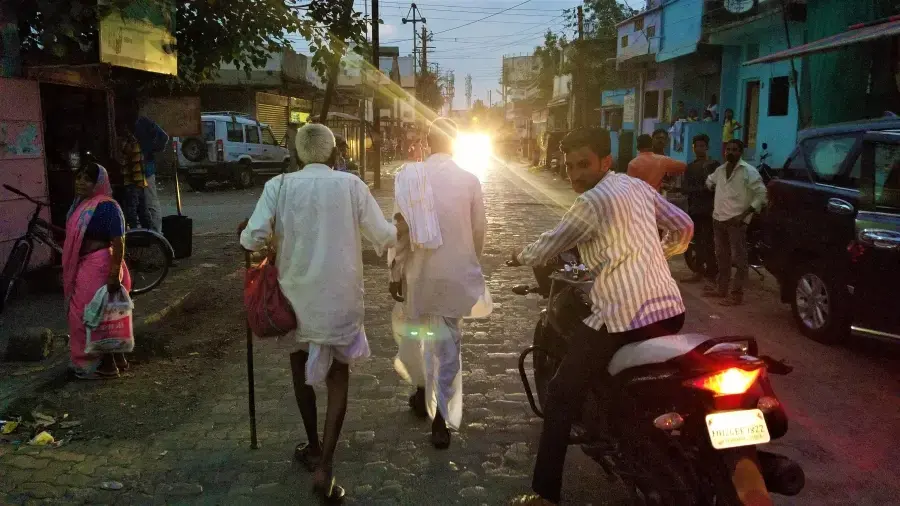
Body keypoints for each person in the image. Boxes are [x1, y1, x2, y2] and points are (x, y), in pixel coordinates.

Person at [508, 128, 693, 506]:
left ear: (605, 162)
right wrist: (659, 255)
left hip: (622, 318)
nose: (575, 173)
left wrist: (520, 254)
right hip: (671, 313)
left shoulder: (590, 203)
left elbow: (551, 245)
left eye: (583, 164)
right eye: (569, 165)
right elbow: (684, 225)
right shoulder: (636, 186)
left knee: (560, 395)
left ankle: (545, 494)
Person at [239, 123, 399, 502]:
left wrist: (252, 232)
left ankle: (312, 446)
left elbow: (252, 239)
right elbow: (384, 235)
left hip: (293, 302)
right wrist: (403, 227)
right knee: (338, 378)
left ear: (296, 155)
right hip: (340, 300)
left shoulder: (277, 186)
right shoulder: (352, 186)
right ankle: (325, 464)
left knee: (299, 369)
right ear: (333, 154)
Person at [388, 118, 488, 450]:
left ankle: (420, 390)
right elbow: (478, 232)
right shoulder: (470, 181)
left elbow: (399, 233)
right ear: (456, 145)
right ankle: (440, 419)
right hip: (454, 278)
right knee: (447, 346)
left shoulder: (408, 177)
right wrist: (467, 259)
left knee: (414, 335)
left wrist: (394, 274)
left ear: (428, 143)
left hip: (418, 276)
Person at [62, 163, 131, 380]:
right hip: (88, 264)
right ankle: (117, 360)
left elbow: (118, 242)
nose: (81, 182)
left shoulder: (107, 206)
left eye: (87, 179)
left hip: (100, 264)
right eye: (79, 177)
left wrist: (113, 273)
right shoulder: (81, 204)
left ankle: (97, 364)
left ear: (99, 183)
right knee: (105, 312)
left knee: (87, 314)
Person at [705, 139, 767, 306]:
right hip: (718, 218)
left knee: (739, 260)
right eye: (728, 150)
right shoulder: (720, 170)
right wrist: (710, 185)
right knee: (722, 256)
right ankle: (721, 289)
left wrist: (745, 214)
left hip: (736, 221)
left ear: (741, 152)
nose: (731, 152)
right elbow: (709, 180)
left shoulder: (749, 171)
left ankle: (736, 295)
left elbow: (761, 194)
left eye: (735, 150)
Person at [682, 133, 720, 284]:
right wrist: (701, 189)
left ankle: (711, 273)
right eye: (697, 146)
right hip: (695, 209)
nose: (700, 149)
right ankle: (698, 271)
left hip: (710, 209)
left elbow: (716, 187)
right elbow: (685, 188)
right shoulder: (690, 167)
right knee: (697, 241)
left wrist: (699, 190)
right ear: (693, 148)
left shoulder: (714, 165)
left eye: (702, 146)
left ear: (707, 147)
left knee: (709, 241)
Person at [134, 116, 169, 233]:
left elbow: (163, 138)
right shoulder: (142, 122)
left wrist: (149, 150)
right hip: (139, 169)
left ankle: (156, 234)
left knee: (149, 203)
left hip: (144, 169)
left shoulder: (143, 122)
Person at [118, 127, 153, 230]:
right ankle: (146, 232)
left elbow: (131, 163)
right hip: (138, 181)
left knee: (133, 210)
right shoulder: (134, 143)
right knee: (141, 210)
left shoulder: (130, 144)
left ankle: (136, 232)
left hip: (133, 182)